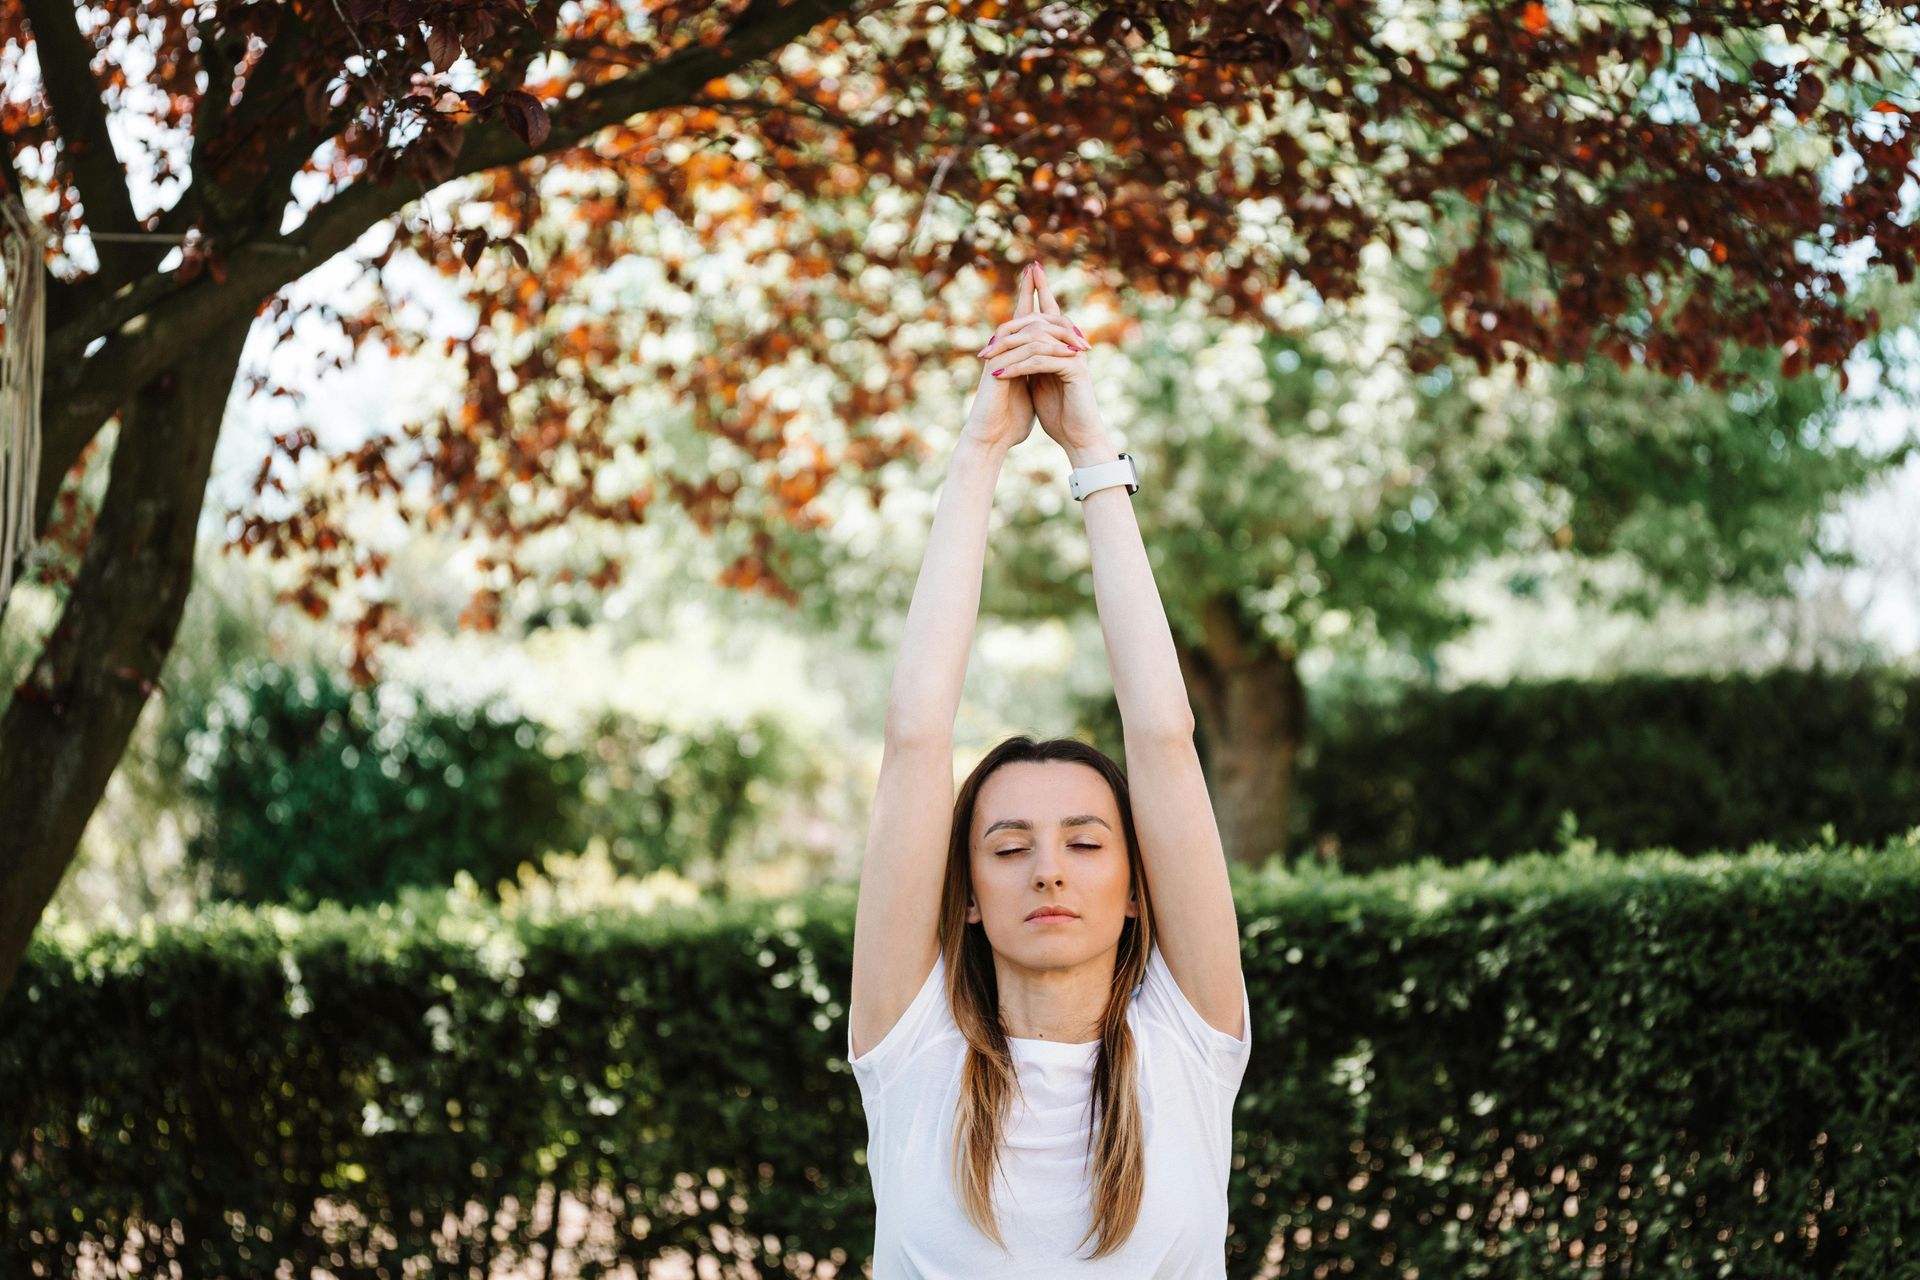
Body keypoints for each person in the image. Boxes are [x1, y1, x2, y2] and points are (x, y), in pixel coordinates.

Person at [848, 259, 1254, 1276]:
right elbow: (914, 738)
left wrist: (1091, 451)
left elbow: (1162, 736)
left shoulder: (1188, 1043)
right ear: (971, 896)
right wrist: (981, 448)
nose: (1050, 868)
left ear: (1133, 886)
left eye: (1085, 839)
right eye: (1008, 844)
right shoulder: (912, 1048)